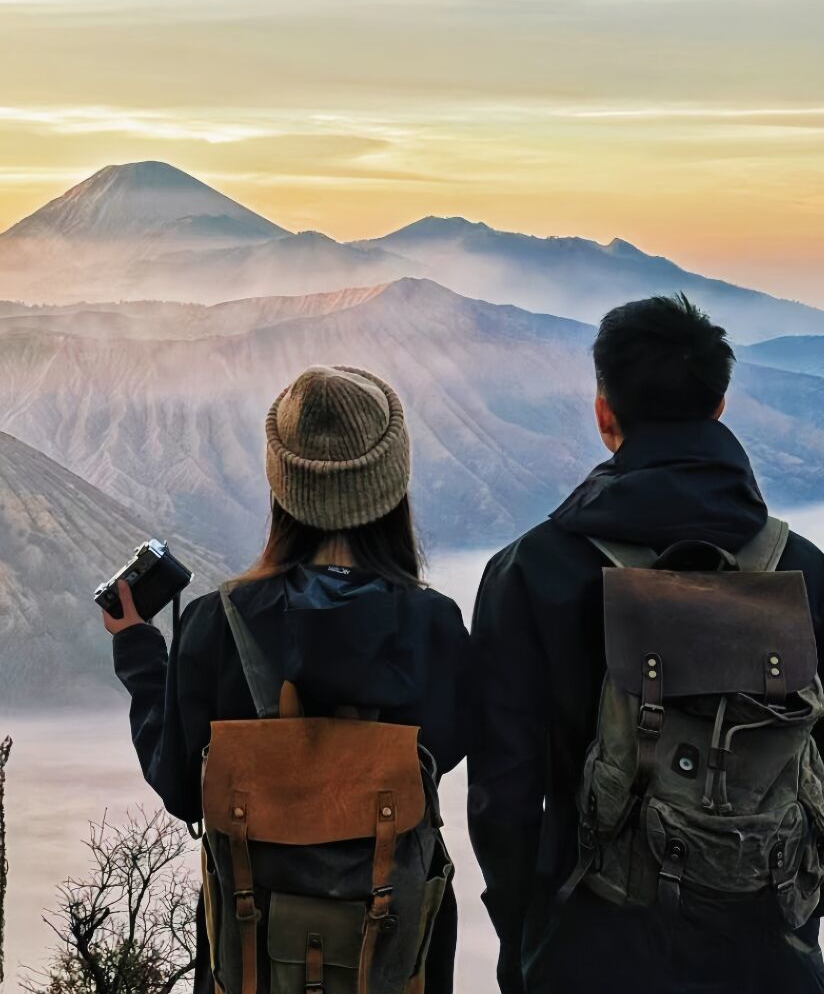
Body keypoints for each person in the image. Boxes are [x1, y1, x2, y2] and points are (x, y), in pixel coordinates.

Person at [468, 293, 824, 994]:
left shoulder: (531, 572)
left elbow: (503, 801)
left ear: (605, 415)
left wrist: (525, 941)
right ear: (719, 406)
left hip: (592, 950)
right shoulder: (806, 572)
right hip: (771, 955)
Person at [106, 364, 472, 993]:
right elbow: (448, 746)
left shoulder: (215, 624)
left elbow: (178, 784)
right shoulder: (431, 623)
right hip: (391, 960)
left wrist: (139, 650)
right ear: (392, 488)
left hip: (252, 957)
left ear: (282, 490)